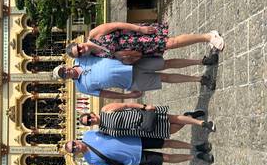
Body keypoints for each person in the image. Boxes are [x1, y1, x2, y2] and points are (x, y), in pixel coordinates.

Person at [52, 54, 216, 99]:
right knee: (164, 78)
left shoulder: (80, 58)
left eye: (63, 69)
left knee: (166, 63)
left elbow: (99, 47)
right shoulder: (82, 87)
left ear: (65, 65)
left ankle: (201, 61)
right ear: (65, 79)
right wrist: (128, 95)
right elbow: (105, 94)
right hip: (131, 81)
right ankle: (200, 80)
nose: (65, 72)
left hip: (131, 62)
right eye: (63, 75)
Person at [64, 130, 214, 165]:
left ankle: (195, 147)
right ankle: (195, 156)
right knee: (165, 158)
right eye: (73, 149)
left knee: (166, 142)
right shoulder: (90, 159)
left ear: (74, 140)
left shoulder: (89, 135)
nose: (75, 147)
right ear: (75, 153)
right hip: (133, 158)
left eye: (73, 144)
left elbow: (110, 129)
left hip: (135, 140)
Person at [65, 22, 224, 65]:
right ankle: (207, 37)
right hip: (138, 50)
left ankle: (208, 36)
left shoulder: (93, 35)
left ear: (78, 43)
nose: (81, 49)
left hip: (137, 36)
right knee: (170, 45)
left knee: (171, 42)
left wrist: (139, 29)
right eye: (79, 52)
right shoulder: (96, 55)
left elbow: (116, 25)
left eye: (78, 47)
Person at [78, 103, 215, 138]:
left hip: (143, 116)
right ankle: (189, 116)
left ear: (92, 114)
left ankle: (202, 124)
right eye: (88, 122)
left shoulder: (106, 109)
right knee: (173, 129)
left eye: (89, 117)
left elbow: (126, 106)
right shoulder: (103, 131)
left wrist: (144, 107)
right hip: (144, 130)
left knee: (173, 118)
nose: (91, 120)